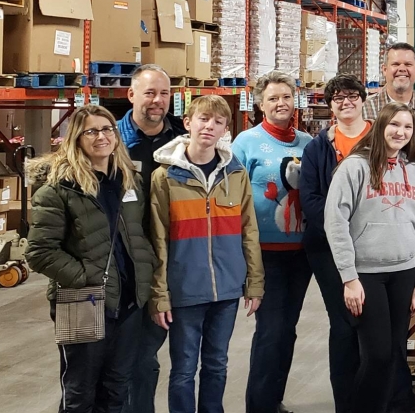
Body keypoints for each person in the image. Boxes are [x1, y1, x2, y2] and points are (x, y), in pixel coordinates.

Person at [27, 105, 155, 413]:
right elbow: (40, 252)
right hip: (80, 300)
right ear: (76, 138)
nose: (102, 137)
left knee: (117, 387)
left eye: (107, 129)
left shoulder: (129, 181)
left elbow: (141, 235)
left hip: (126, 302)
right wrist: (87, 277)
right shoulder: (59, 188)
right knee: (80, 390)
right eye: (92, 131)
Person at [149, 95, 264, 413]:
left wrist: (254, 283)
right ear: (187, 123)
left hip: (226, 291)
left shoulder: (236, 175)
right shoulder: (166, 177)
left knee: (217, 365)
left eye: (218, 121)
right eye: (203, 118)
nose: (209, 126)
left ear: (226, 129)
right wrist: (159, 294)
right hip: (185, 290)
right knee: (184, 370)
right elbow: (158, 240)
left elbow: (248, 231)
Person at [325, 102, 415, 413]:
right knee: (377, 355)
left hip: (404, 272)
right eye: (394, 125)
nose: (401, 132)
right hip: (365, 275)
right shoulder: (354, 167)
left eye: (407, 127)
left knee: (395, 353)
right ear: (381, 126)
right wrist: (349, 277)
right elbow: (335, 222)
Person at [233, 72, 314, 413]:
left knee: (288, 329)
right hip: (263, 253)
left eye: (286, 96)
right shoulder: (246, 143)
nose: (281, 103)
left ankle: (273, 400)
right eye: (273, 98)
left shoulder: (309, 143)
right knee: (270, 330)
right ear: (260, 104)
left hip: (301, 253)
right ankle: (260, 405)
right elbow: (231, 196)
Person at [300, 74, 372, 413]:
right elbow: (310, 199)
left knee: (374, 324)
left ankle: (377, 398)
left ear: (362, 99)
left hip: (375, 248)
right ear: (330, 106)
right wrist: (340, 233)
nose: (346, 102)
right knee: (344, 322)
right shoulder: (318, 147)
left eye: (351, 95)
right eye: (338, 98)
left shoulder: (381, 139)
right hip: (328, 249)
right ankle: (347, 403)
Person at [118, 64, 187, 413]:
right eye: (149, 93)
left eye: (164, 93)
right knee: (117, 357)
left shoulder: (182, 143)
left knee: (145, 355)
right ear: (131, 95)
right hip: (120, 265)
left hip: (166, 262)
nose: (157, 101)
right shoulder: (109, 140)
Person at [366, 42, 415, 151]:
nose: (402, 69)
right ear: (384, 69)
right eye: (395, 64)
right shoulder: (365, 110)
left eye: (408, 64)